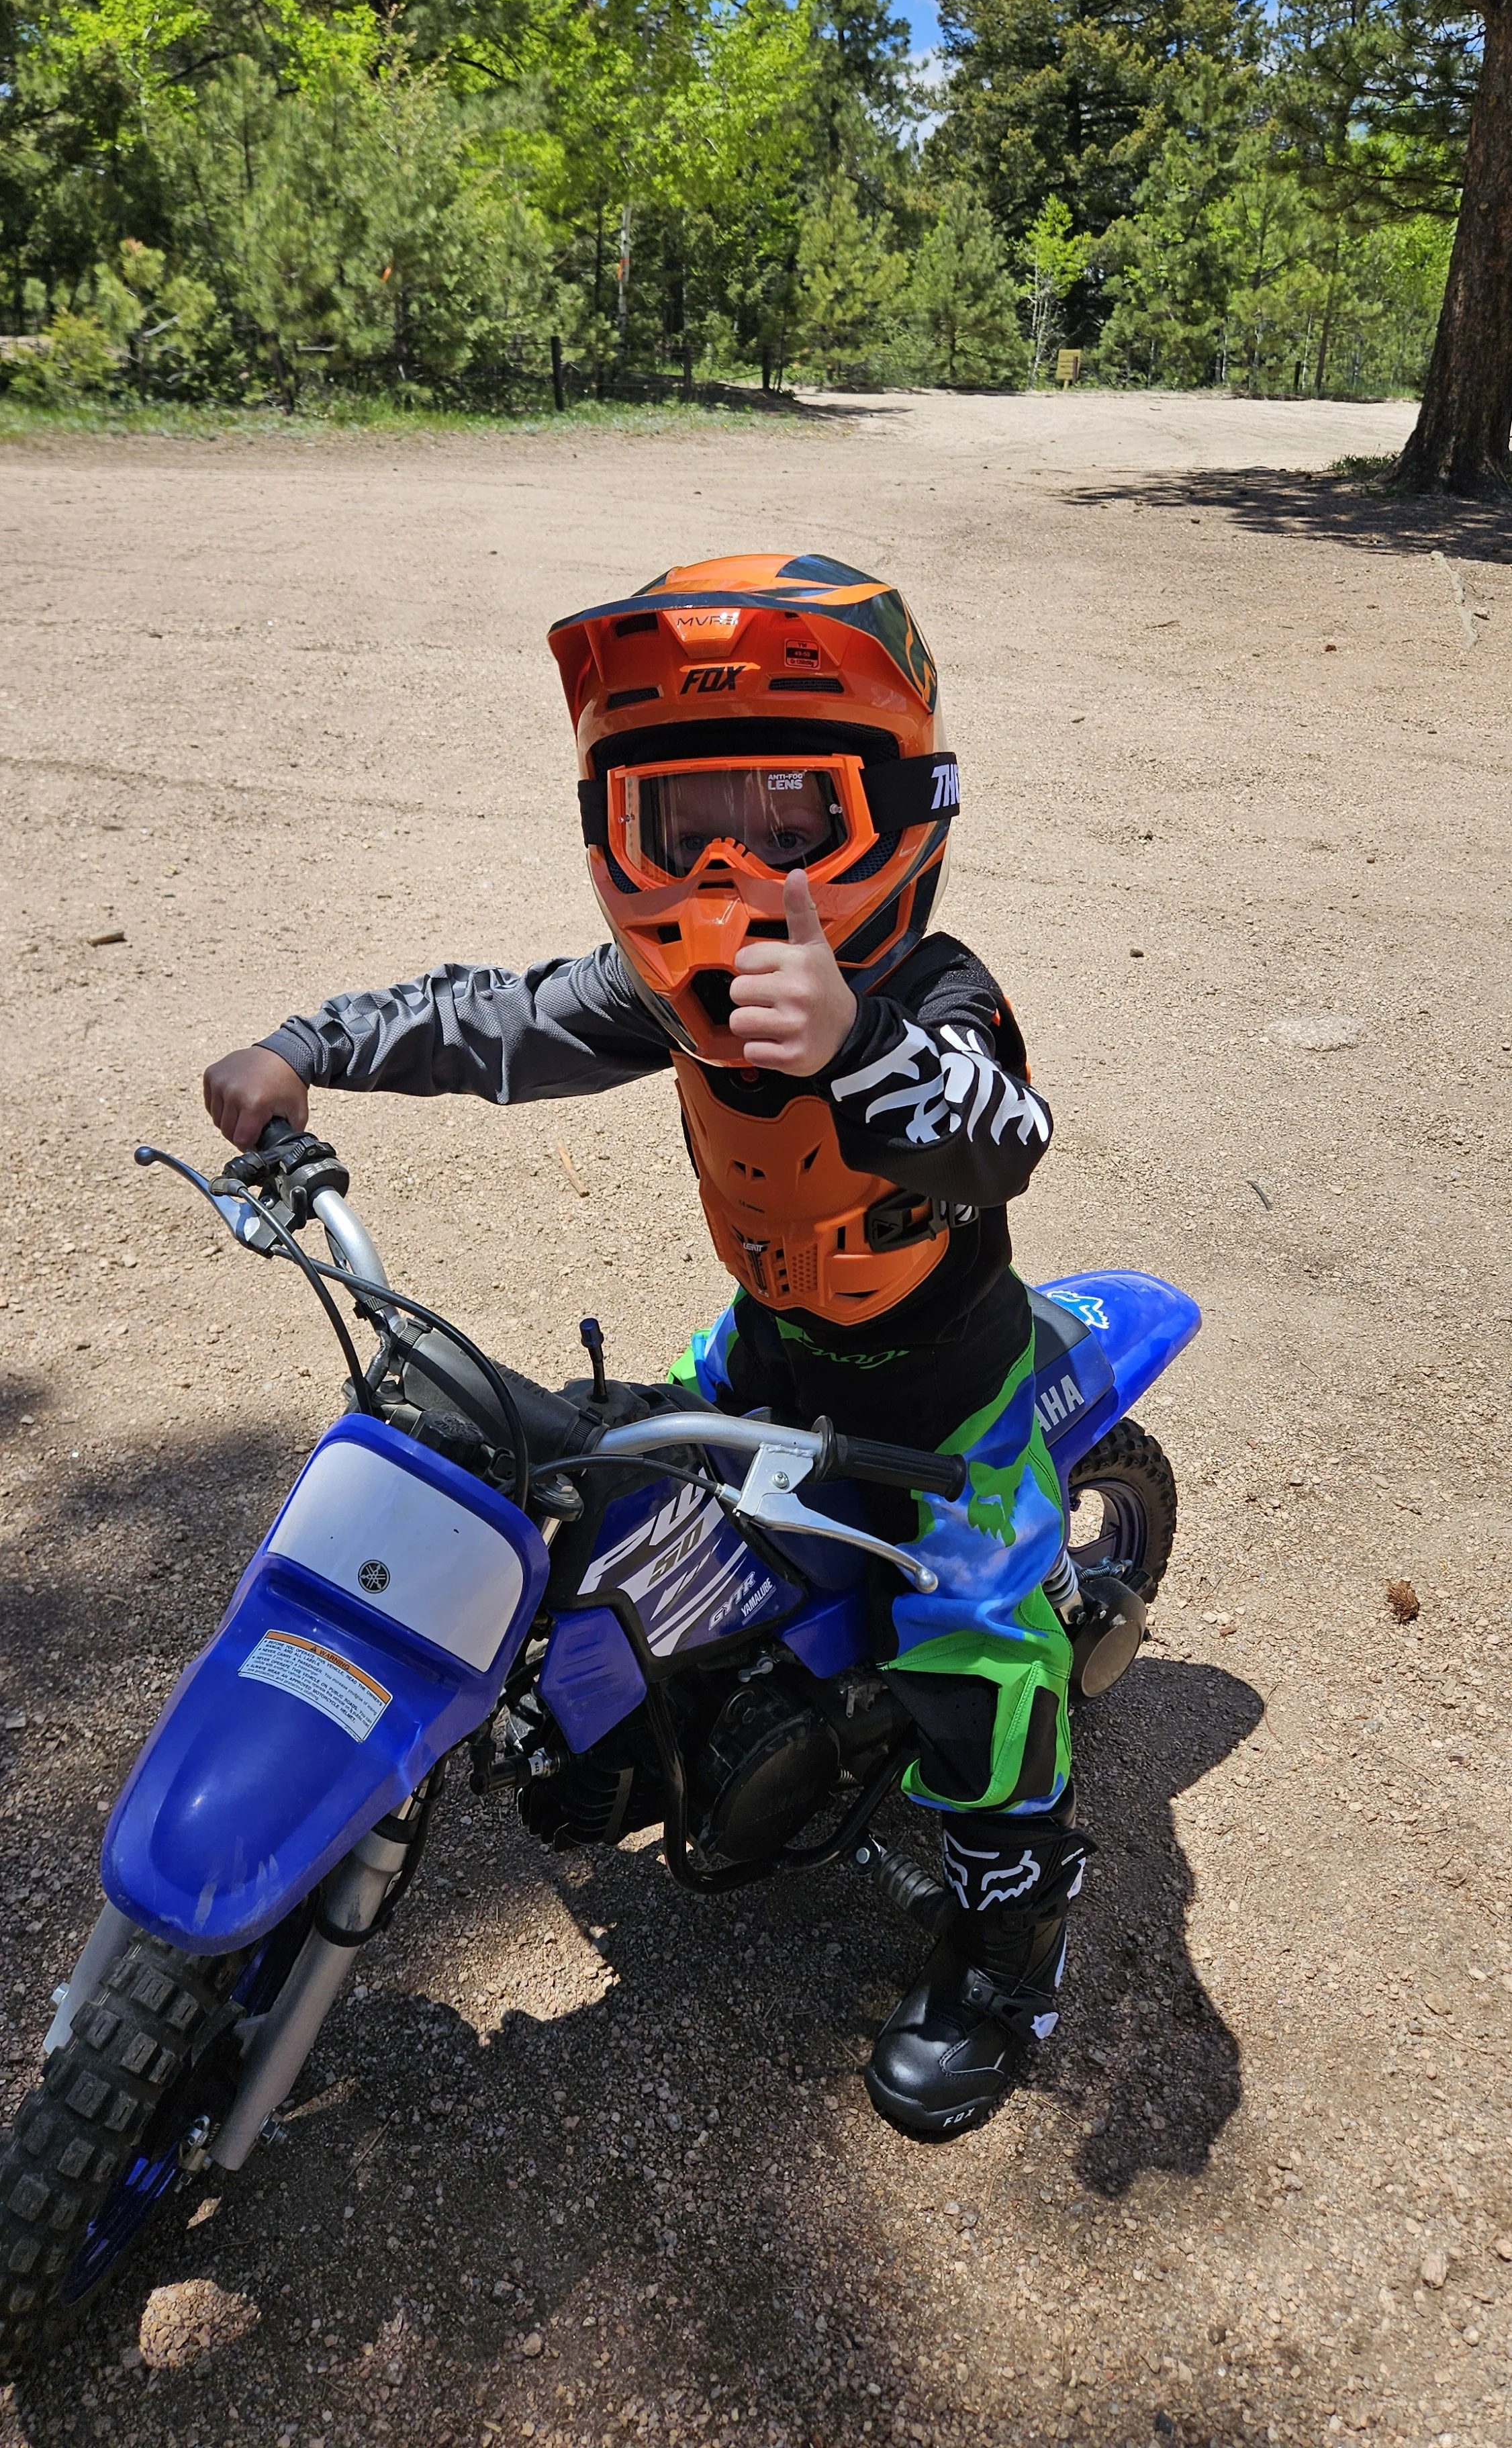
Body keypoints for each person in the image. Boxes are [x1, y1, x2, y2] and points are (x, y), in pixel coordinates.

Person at [203, 551, 1092, 2140]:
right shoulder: (665, 995)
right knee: (599, 1498)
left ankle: (1004, 1941)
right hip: (769, 1351)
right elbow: (493, 1016)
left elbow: (1001, 1131)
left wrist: (862, 1037)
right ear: (617, 830)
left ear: (898, 808)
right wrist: (307, 1045)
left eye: (789, 815)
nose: (733, 869)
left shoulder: (935, 989)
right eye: (682, 825)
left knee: (978, 1667)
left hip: (948, 1398)